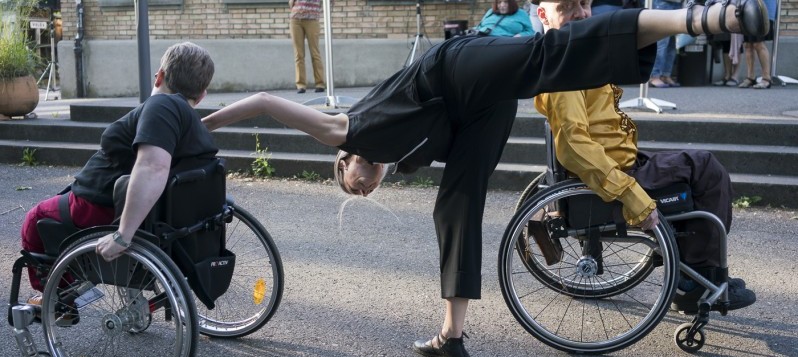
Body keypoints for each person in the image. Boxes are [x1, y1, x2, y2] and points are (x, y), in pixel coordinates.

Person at [202, 2, 769, 355]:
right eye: (363, 190)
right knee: (456, 208)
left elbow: (262, 100)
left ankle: (703, 17)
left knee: (545, 56)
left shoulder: (347, 130)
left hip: (455, 67)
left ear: (345, 162)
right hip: (476, 115)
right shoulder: (401, 156)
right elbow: (432, 161)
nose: (363, 183)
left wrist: (194, 124)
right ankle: (452, 336)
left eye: (352, 179)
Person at [533, 0, 756, 316]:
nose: (581, 14)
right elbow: (574, 147)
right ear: (543, 15)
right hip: (615, 173)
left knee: (695, 164)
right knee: (707, 169)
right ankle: (695, 282)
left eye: (585, 5)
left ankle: (695, 271)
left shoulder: (575, 55)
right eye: (568, 7)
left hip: (620, 160)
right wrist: (631, 196)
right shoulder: (564, 71)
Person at [21, 42, 217, 304]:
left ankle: (56, 298)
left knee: (35, 218)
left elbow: (152, 167)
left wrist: (122, 235)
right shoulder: (185, 116)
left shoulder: (162, 106)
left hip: (99, 203)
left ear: (159, 76)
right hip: (131, 202)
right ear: (202, 95)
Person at [289, 0, 326, 93]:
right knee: (298, 54)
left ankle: (320, 84)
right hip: (296, 19)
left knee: (315, 53)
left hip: (312, 19)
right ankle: (300, 85)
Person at [738, 0, 776, 89]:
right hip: (748, 10)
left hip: (763, 10)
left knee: (758, 44)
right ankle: (750, 77)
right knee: (747, 45)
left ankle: (766, 78)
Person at [649, 0, 684, 87]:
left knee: (672, 44)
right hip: (663, 3)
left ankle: (665, 75)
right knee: (661, 43)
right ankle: (654, 76)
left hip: (677, 3)